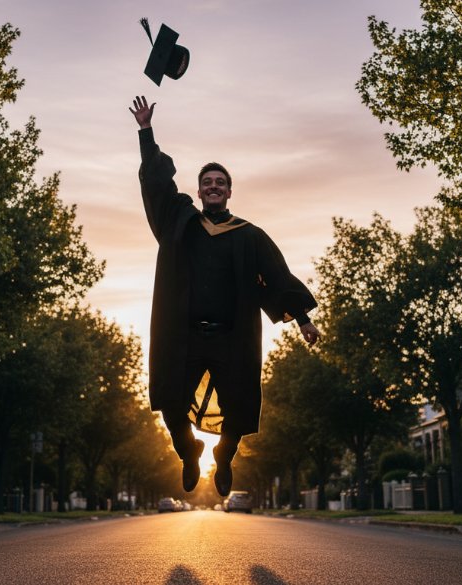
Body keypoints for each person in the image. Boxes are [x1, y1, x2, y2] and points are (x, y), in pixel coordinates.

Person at [129, 95, 320, 497]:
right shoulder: (180, 222)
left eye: (220, 182)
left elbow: (278, 275)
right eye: (207, 182)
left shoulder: (249, 235)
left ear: (229, 192)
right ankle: (188, 452)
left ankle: (224, 458)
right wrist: (146, 132)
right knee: (168, 399)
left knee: (240, 408)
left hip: (232, 337)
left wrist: (303, 319)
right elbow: (158, 185)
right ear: (198, 191)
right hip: (184, 335)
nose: (213, 187)